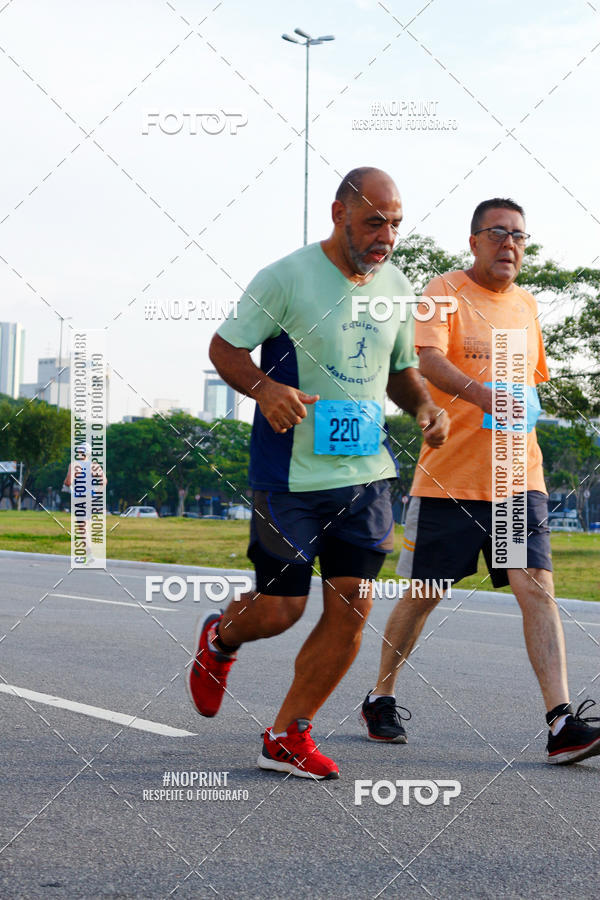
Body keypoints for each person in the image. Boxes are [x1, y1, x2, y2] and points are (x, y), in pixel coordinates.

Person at [187, 167, 449, 780]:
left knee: (351, 606)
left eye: (395, 224)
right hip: (290, 477)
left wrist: (425, 407)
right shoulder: (286, 277)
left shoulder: (397, 285)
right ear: (339, 214)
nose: (385, 235)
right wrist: (265, 388)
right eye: (373, 222)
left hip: (366, 478)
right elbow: (225, 348)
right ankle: (221, 638)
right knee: (282, 609)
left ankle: (286, 735)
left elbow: (400, 370)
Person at [361, 198, 600, 765]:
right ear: (474, 242)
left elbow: (528, 388)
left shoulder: (525, 305)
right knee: (424, 595)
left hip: (518, 480)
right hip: (450, 480)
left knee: (535, 587)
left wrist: (521, 408)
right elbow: (428, 363)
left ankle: (560, 722)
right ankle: (381, 695)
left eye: (519, 235)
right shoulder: (443, 291)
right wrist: (485, 396)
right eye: (498, 234)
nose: (510, 245)